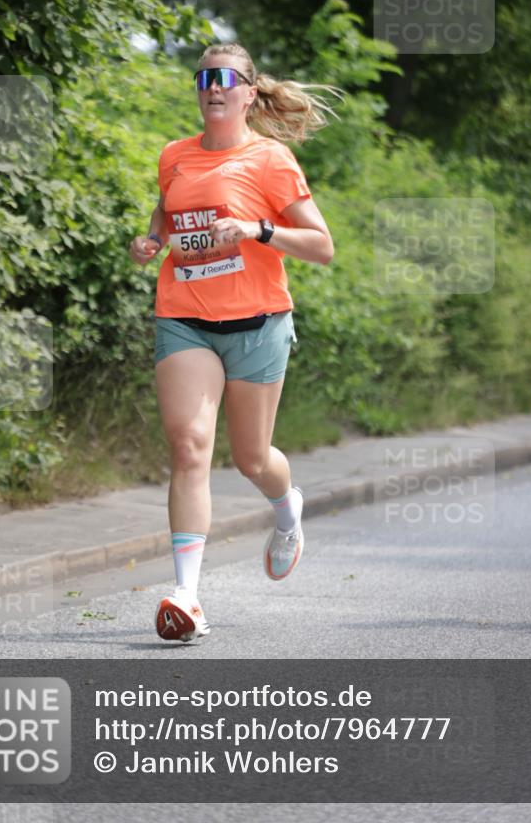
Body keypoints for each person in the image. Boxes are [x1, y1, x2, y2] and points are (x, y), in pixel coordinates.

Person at [129, 42, 339, 642]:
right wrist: (147, 244)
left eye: (225, 78)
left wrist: (257, 229)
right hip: (185, 319)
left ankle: (286, 507)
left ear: (249, 91)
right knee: (190, 445)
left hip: (258, 322)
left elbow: (321, 246)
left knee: (251, 459)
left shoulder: (270, 159)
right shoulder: (174, 156)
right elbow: (165, 221)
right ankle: (187, 597)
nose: (213, 87)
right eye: (203, 78)